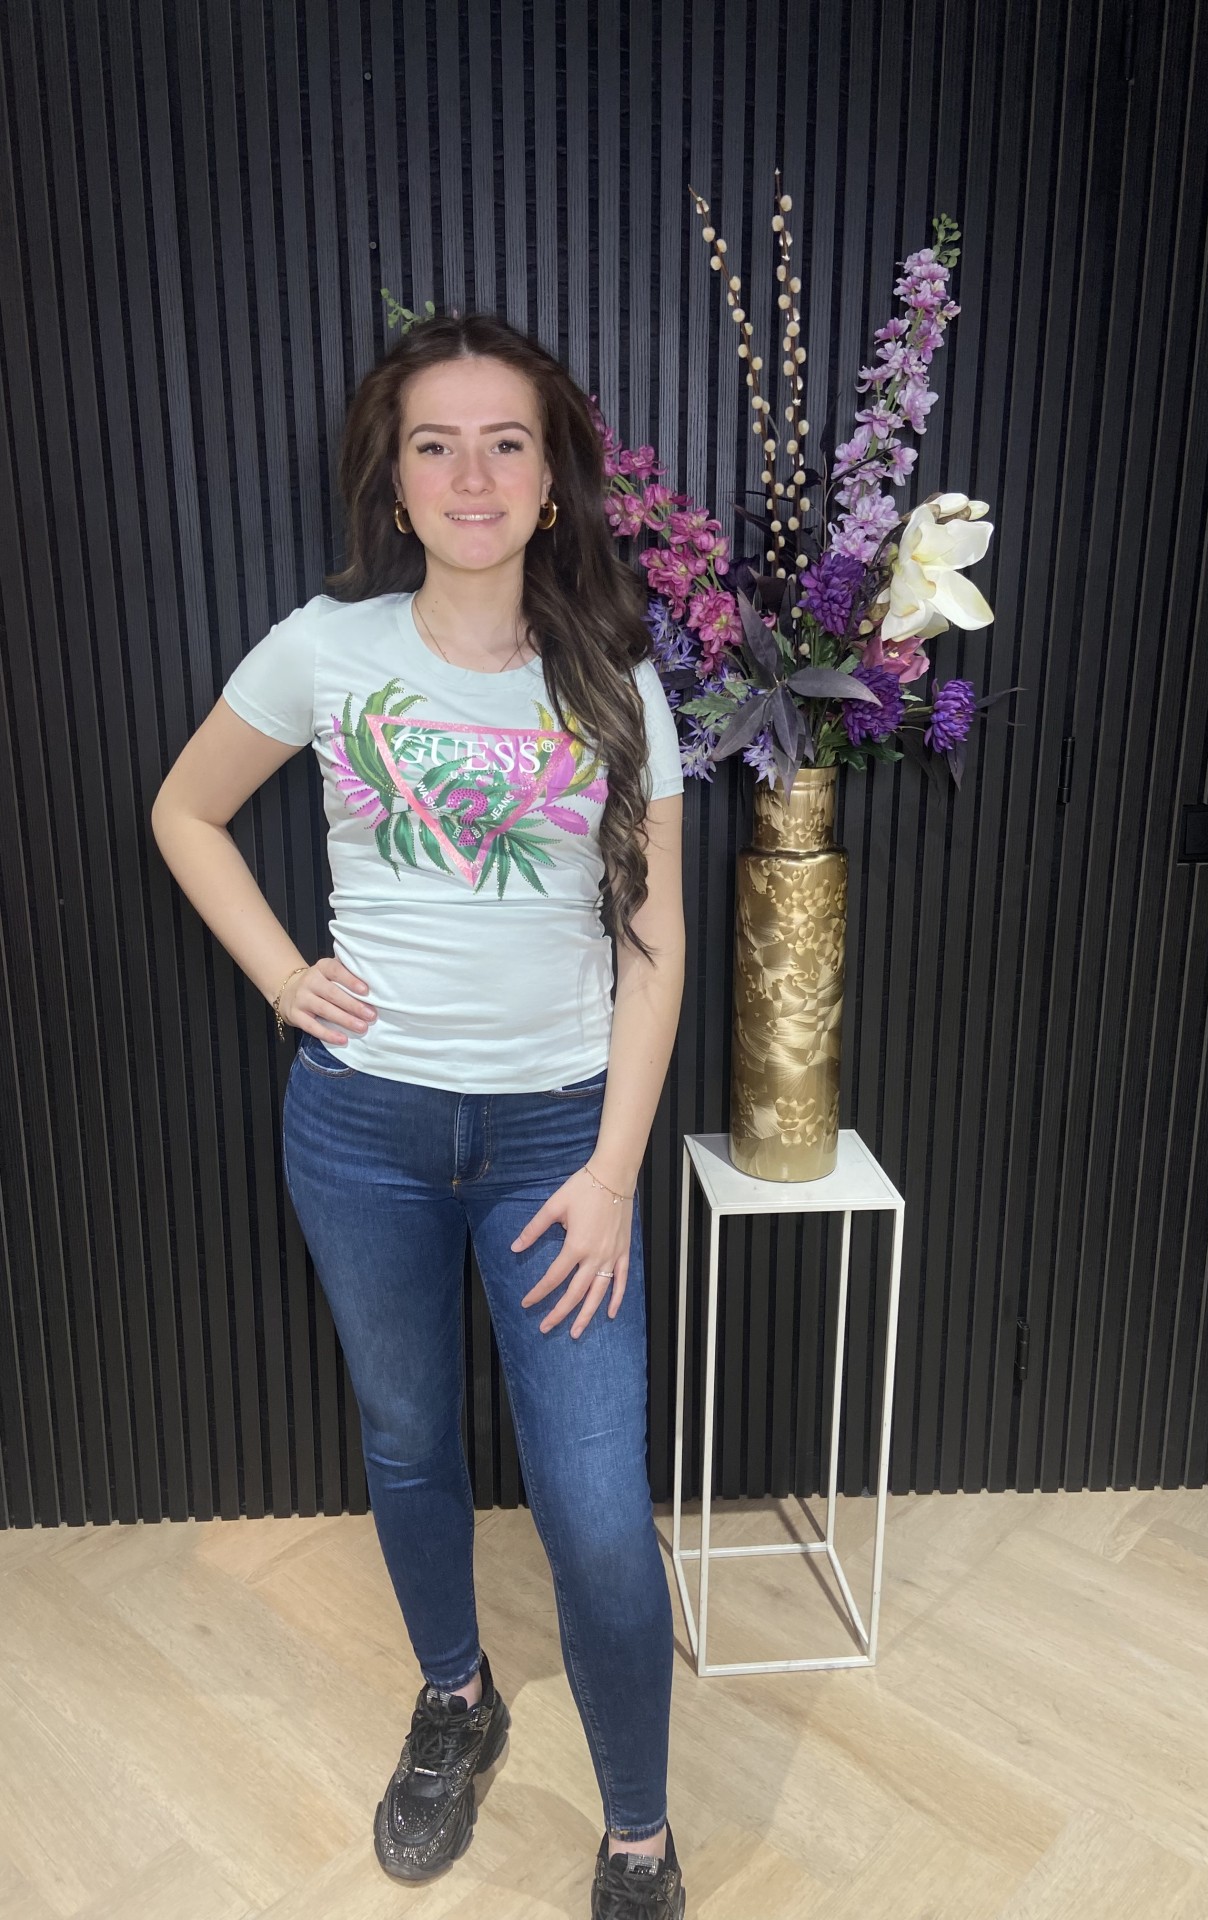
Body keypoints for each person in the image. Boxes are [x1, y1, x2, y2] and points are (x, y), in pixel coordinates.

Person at [150, 313, 688, 1919]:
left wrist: (611, 1177)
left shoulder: (614, 681)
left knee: (597, 1513)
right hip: (363, 1135)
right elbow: (186, 809)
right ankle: (456, 1698)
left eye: (505, 444)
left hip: (557, 1151)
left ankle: (639, 1834)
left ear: (550, 483)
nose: (470, 474)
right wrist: (282, 976)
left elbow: (652, 947)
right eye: (434, 445)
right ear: (393, 483)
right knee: (405, 1441)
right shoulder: (326, 649)